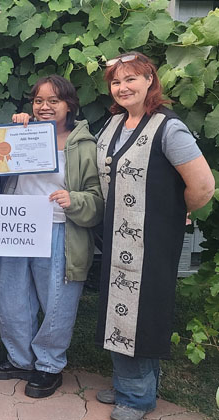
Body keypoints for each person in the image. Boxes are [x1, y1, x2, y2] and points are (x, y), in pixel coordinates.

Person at [93, 52, 214, 420]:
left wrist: (175, 212)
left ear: (150, 80)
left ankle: (137, 397)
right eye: (116, 82)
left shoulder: (168, 128)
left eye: (131, 79)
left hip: (153, 239)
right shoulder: (115, 123)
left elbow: (203, 185)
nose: (122, 87)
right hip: (118, 236)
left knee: (143, 313)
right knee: (120, 309)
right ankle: (129, 384)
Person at [0, 75, 103, 398]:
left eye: (53, 101)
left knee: (57, 300)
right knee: (10, 295)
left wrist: (73, 199)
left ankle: (49, 365)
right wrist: (12, 133)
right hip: (17, 224)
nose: (44, 107)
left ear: (69, 105)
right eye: (38, 100)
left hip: (59, 228)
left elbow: (98, 199)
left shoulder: (84, 145)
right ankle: (20, 359)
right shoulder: (23, 134)